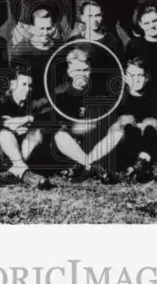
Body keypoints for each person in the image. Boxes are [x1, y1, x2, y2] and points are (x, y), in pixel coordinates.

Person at [52, 48, 132, 185]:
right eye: (77, 71)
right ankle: (92, 166)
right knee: (59, 136)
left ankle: (83, 166)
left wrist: (126, 89)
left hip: (96, 141)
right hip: (72, 143)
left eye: (85, 70)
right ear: (69, 72)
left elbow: (116, 110)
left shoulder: (100, 90)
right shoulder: (60, 93)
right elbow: (57, 123)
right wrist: (77, 128)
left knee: (117, 130)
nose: (82, 75)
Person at [0, 66, 53, 189]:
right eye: (24, 84)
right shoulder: (0, 103)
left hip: (22, 151)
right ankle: (22, 170)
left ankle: (15, 172)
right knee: (4, 133)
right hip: (1, 153)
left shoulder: (31, 104)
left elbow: (46, 111)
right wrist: (26, 120)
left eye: (29, 85)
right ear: (12, 85)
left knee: (37, 131)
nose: (28, 89)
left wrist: (28, 123)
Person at [116, 57, 157, 183]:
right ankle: (134, 166)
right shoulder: (119, 97)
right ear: (125, 77)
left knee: (151, 123)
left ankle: (143, 162)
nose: (136, 79)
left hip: (147, 144)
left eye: (140, 75)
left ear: (147, 78)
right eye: (131, 75)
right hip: (126, 144)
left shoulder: (154, 97)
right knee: (125, 126)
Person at [68, 0, 124, 97]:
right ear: (82, 17)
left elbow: (120, 71)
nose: (94, 20)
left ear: (102, 17)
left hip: (106, 94)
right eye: (90, 16)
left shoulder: (113, 42)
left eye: (97, 15)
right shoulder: (73, 42)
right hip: (80, 95)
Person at [10, 8, 62, 102]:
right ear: (32, 29)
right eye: (41, 28)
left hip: (57, 99)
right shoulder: (21, 50)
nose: (45, 33)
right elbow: (15, 80)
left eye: (49, 28)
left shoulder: (60, 47)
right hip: (32, 102)